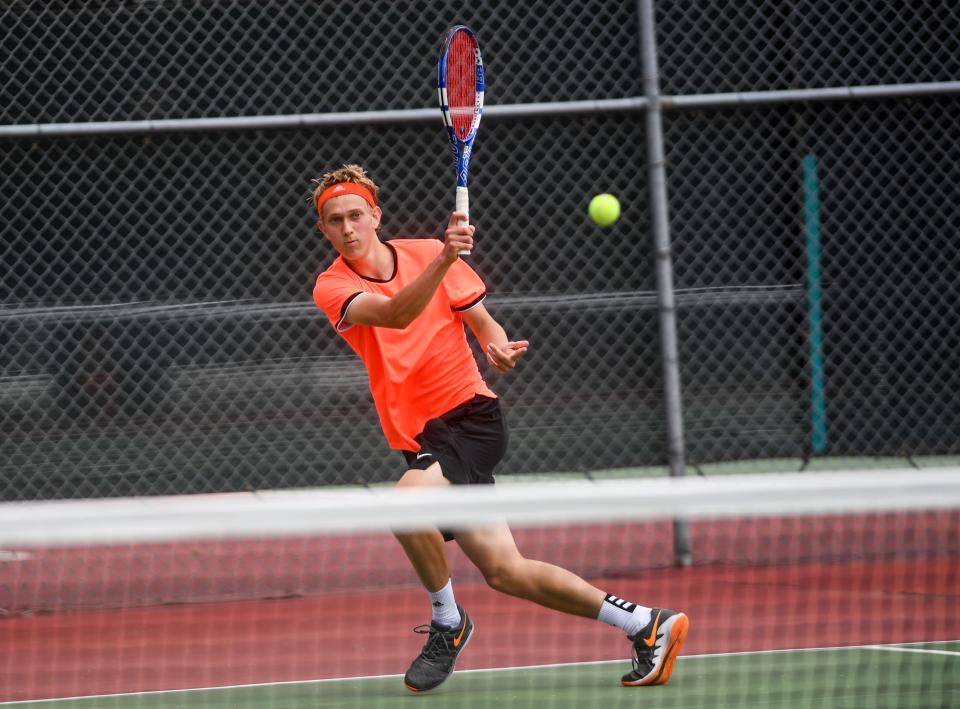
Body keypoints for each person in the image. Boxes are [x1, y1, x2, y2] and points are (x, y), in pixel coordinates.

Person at [311, 164, 688, 693]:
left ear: (375, 215)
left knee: (401, 506)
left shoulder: (425, 250)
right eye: (334, 221)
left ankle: (448, 620)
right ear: (324, 229)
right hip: (421, 437)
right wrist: (445, 257)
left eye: (355, 215)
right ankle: (646, 624)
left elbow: (483, 321)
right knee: (506, 571)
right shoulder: (333, 286)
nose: (348, 228)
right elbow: (396, 315)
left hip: (469, 418)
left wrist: (497, 345)